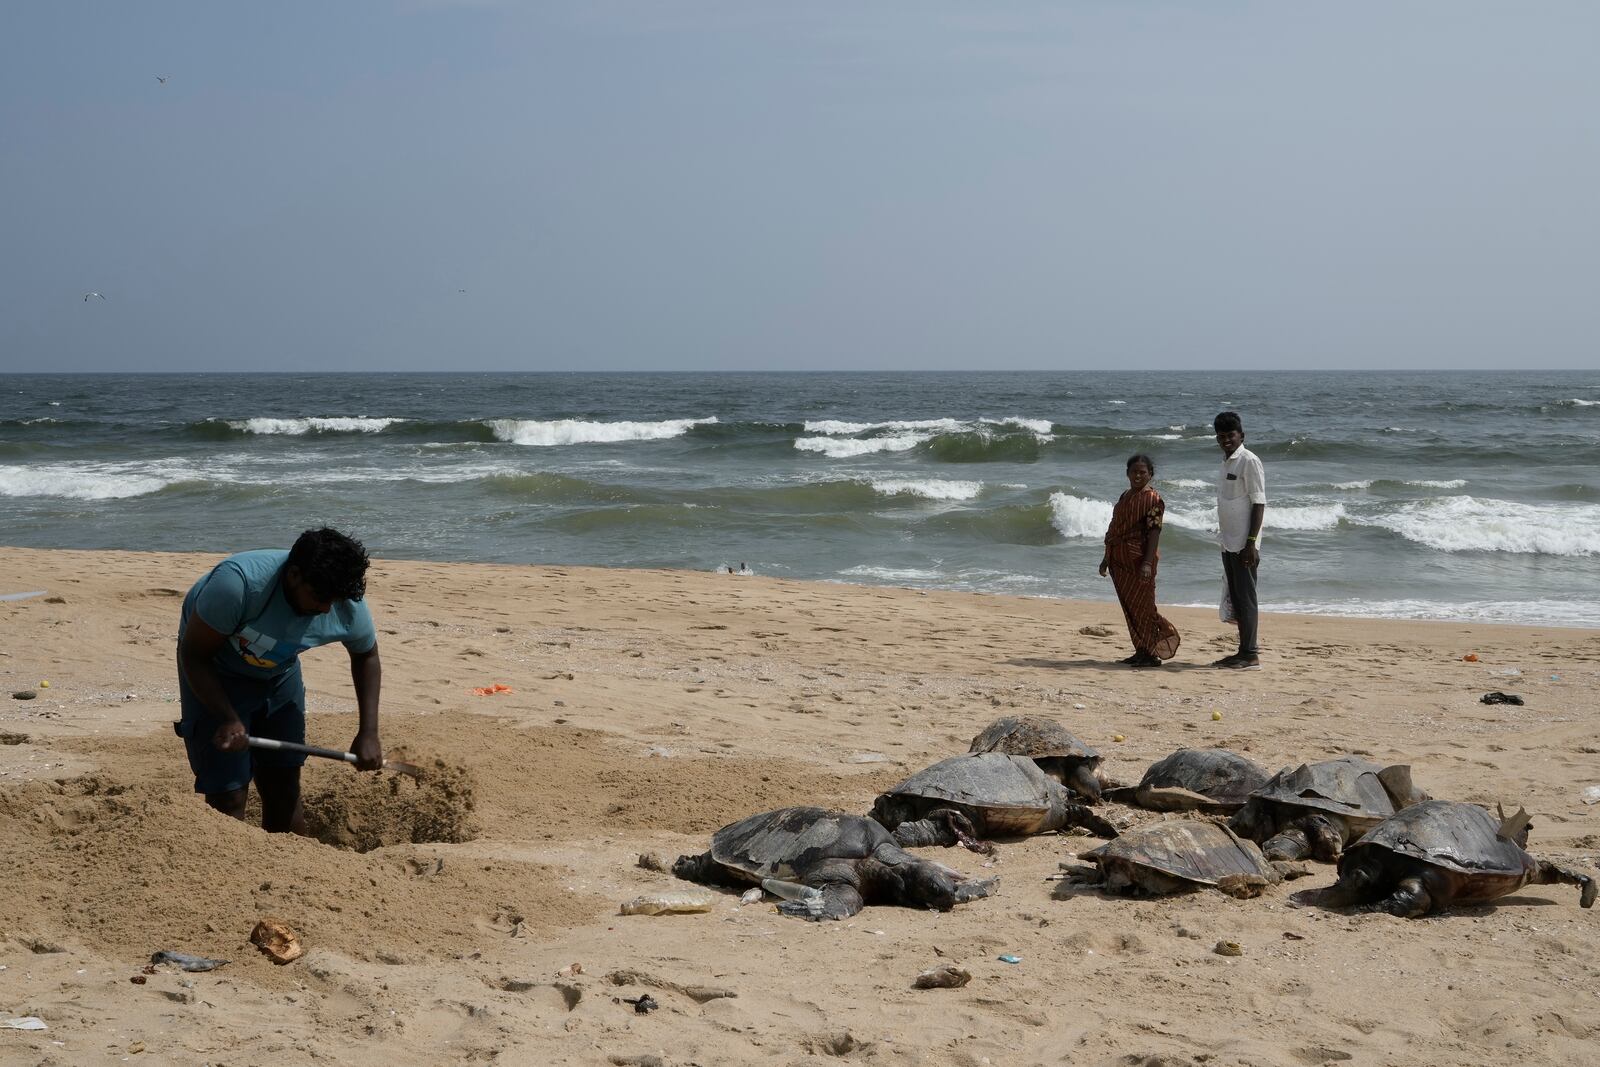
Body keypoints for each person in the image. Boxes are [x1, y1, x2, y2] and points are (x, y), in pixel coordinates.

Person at [175, 527, 383, 832]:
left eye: (333, 601)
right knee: (229, 793)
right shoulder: (238, 586)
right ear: (294, 575)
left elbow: (367, 656)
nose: (325, 610)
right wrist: (228, 718)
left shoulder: (343, 601)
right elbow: (194, 655)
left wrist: (368, 732)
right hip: (215, 670)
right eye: (319, 597)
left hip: (278, 671)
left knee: (284, 786)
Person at [1099, 453, 1180, 667]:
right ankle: (1141, 650)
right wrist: (1106, 558)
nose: (1138, 475)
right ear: (1127, 474)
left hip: (1139, 559)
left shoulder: (1153, 500)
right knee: (1130, 606)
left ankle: (1153, 650)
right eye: (1134, 472)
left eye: (1142, 472)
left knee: (1144, 607)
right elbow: (1115, 525)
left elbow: (1154, 532)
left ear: (1150, 475)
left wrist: (1146, 562)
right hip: (1118, 558)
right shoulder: (1125, 495)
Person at [1213, 412, 1266, 669]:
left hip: (1245, 544)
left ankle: (1250, 653)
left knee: (1246, 599)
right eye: (1221, 437)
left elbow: (1259, 502)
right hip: (1228, 541)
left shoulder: (1249, 461)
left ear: (1241, 436)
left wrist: (1252, 542)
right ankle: (1242, 651)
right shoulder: (1225, 463)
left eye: (1230, 436)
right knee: (1235, 597)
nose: (1226, 441)